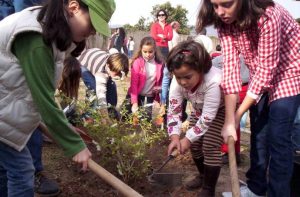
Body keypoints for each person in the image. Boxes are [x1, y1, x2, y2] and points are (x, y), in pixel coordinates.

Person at [0, 1, 116, 197]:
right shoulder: (35, 36)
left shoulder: (48, 29)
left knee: (6, 170)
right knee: (22, 172)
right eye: (92, 23)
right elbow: (43, 100)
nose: (94, 32)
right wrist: (74, 145)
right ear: (73, 6)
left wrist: (66, 128)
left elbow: (28, 91)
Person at [196, 0, 300, 196]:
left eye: (226, 4)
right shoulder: (224, 21)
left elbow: (266, 71)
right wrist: (229, 121)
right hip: (258, 75)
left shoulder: (268, 15)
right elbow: (231, 71)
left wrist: (237, 115)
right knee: (259, 134)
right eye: (215, 5)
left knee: (278, 137)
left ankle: (278, 192)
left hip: (289, 72)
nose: (220, 12)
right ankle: (256, 188)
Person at [167, 40, 224, 197]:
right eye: (179, 78)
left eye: (187, 77)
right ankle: (203, 176)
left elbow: (207, 118)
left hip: (220, 109)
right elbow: (174, 111)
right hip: (199, 108)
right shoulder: (176, 81)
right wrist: (175, 137)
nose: (183, 82)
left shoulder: (213, 81)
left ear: (200, 69)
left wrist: (188, 138)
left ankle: (209, 188)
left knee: (210, 145)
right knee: (195, 145)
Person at [77, 48, 129, 119]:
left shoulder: (114, 61)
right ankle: (88, 115)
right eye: (116, 73)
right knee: (94, 88)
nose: (118, 75)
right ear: (108, 66)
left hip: (96, 57)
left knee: (111, 86)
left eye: (119, 73)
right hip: (83, 63)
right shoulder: (101, 74)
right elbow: (101, 95)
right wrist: (105, 117)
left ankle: (112, 113)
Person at [125, 36, 164, 121]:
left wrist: (157, 99)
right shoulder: (137, 62)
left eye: (150, 52)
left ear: (155, 50)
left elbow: (159, 82)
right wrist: (134, 102)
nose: (148, 54)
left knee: (145, 119)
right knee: (128, 118)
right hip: (137, 94)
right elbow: (134, 84)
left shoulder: (160, 64)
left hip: (150, 95)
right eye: (145, 52)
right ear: (141, 50)